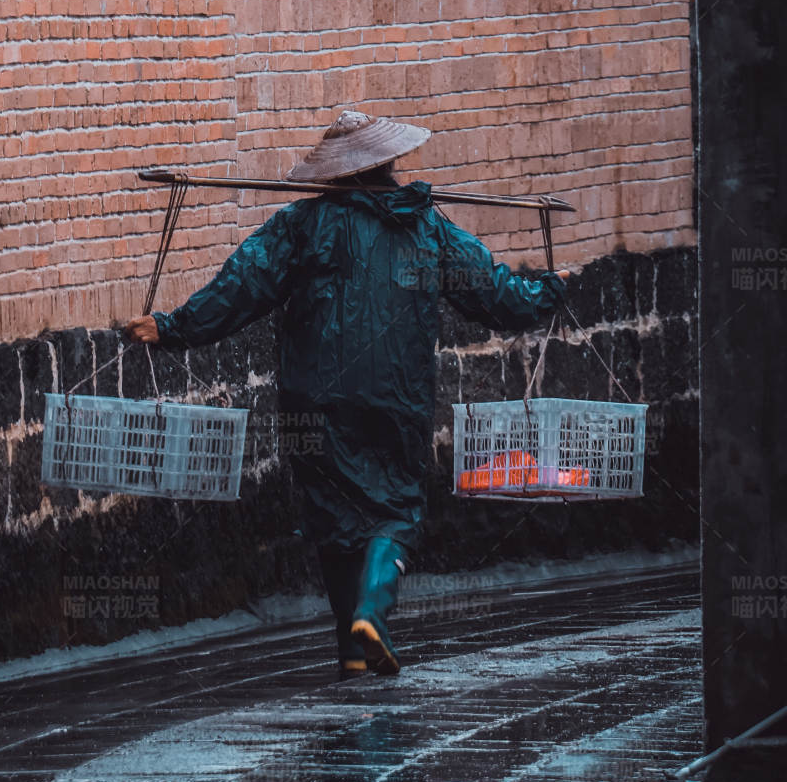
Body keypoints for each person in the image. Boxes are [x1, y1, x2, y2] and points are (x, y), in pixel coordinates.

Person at [126, 109, 569, 680]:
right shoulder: (428, 228)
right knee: (395, 511)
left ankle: (352, 648)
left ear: (333, 174)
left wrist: (174, 326)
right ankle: (370, 618)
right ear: (389, 164)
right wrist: (547, 292)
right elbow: (496, 298)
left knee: (334, 515)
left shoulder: (301, 227)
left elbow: (242, 287)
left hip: (313, 404)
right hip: (396, 398)